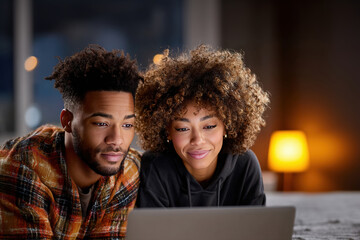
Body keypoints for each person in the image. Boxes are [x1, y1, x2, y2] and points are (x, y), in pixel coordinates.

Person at [0, 45, 142, 239]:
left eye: (127, 125)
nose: (117, 139)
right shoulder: (23, 167)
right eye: (101, 123)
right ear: (67, 121)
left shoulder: (129, 170)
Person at [135, 45, 270, 208]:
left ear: (227, 126)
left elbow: (255, 230)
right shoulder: (155, 167)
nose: (197, 140)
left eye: (209, 126)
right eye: (183, 128)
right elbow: (154, 232)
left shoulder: (245, 164)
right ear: (167, 131)